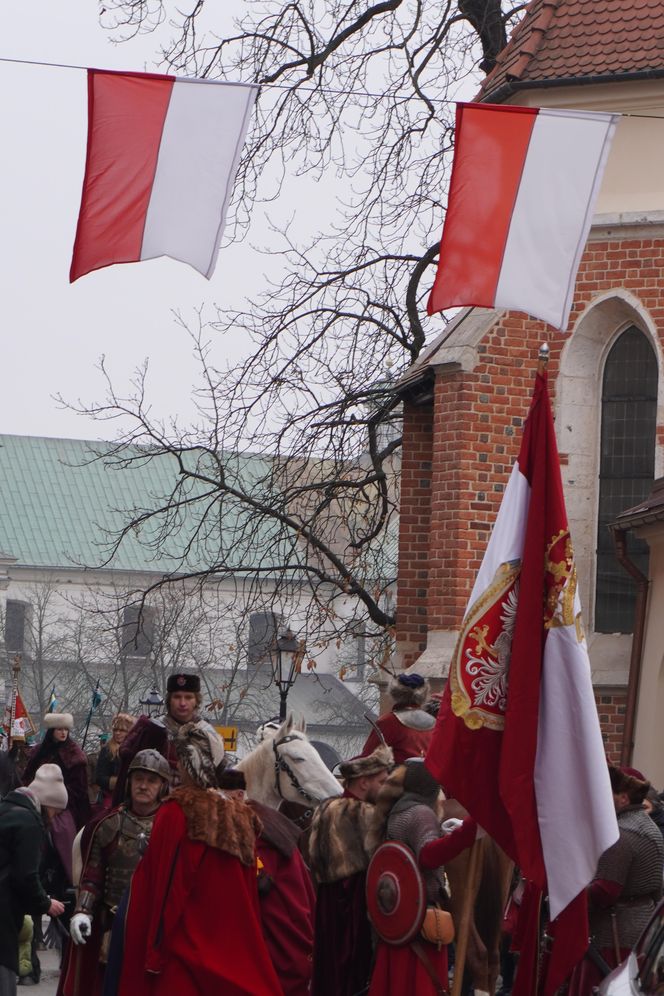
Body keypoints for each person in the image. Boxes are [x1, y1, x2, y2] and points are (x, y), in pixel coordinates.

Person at [118, 721, 283, 995]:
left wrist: (155, 952)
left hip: (183, 956)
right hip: (234, 956)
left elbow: (168, 889)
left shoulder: (176, 812)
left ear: (185, 763)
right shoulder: (241, 816)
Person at [58, 749, 171, 996]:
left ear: (163, 785)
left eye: (151, 780)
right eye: (139, 778)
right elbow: (93, 876)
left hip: (154, 929)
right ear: (129, 782)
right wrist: (83, 911)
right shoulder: (109, 823)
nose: (144, 785)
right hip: (112, 925)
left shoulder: (172, 826)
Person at [366, 758, 478, 996]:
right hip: (421, 923)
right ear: (431, 787)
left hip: (401, 921)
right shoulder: (421, 814)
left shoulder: (399, 811)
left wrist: (443, 834)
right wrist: (467, 833)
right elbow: (428, 856)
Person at [567, 765, 664, 996]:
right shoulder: (646, 827)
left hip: (615, 930)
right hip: (638, 925)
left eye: (606, 793)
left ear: (623, 797)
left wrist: (571, 892)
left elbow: (605, 891)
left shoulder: (622, 834)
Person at [218, 767, 316, 996]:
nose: (219, 807)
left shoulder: (258, 833)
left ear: (240, 796)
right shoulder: (268, 824)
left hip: (281, 942)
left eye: (224, 798)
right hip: (292, 932)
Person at [306, 745, 394, 996]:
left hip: (327, 904)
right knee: (350, 976)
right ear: (364, 782)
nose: (386, 787)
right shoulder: (363, 814)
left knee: (329, 972)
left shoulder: (325, 808)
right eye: (382, 781)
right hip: (352, 907)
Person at [0, 763, 68, 996]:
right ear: (47, 803)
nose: (54, 819)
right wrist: (46, 903)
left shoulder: (7, 809)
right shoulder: (29, 823)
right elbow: (25, 876)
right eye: (56, 812)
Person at [112, 673, 223, 801]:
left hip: (194, 804)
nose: (182, 703)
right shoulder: (152, 729)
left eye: (188, 697)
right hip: (153, 805)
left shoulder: (208, 735)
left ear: (196, 701)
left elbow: (217, 778)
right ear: (169, 700)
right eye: (177, 697)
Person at [23, 714, 91, 831]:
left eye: (66, 729)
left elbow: (79, 788)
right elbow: (28, 776)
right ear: (51, 731)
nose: (63, 733)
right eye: (59, 729)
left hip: (63, 808)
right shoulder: (39, 751)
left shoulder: (74, 754)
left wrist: (56, 799)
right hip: (36, 804)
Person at [361, 674, 436, 764]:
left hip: (396, 776)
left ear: (395, 693)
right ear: (424, 695)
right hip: (429, 777)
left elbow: (367, 759)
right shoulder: (435, 723)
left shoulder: (388, 722)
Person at [94, 715, 136, 811]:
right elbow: (99, 778)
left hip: (132, 796)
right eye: (115, 730)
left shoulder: (134, 749)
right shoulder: (107, 750)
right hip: (110, 795)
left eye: (122, 730)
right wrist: (120, 782)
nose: (117, 733)